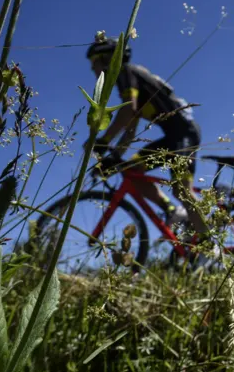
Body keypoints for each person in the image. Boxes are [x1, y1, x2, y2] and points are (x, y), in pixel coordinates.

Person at [85, 37, 207, 237]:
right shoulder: (130, 80)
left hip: (185, 133)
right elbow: (131, 129)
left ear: (107, 59)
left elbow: (128, 111)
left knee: (181, 190)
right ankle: (173, 211)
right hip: (172, 137)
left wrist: (104, 141)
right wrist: (114, 156)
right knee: (132, 171)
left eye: (94, 62)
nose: (92, 69)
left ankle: (208, 244)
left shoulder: (126, 72)